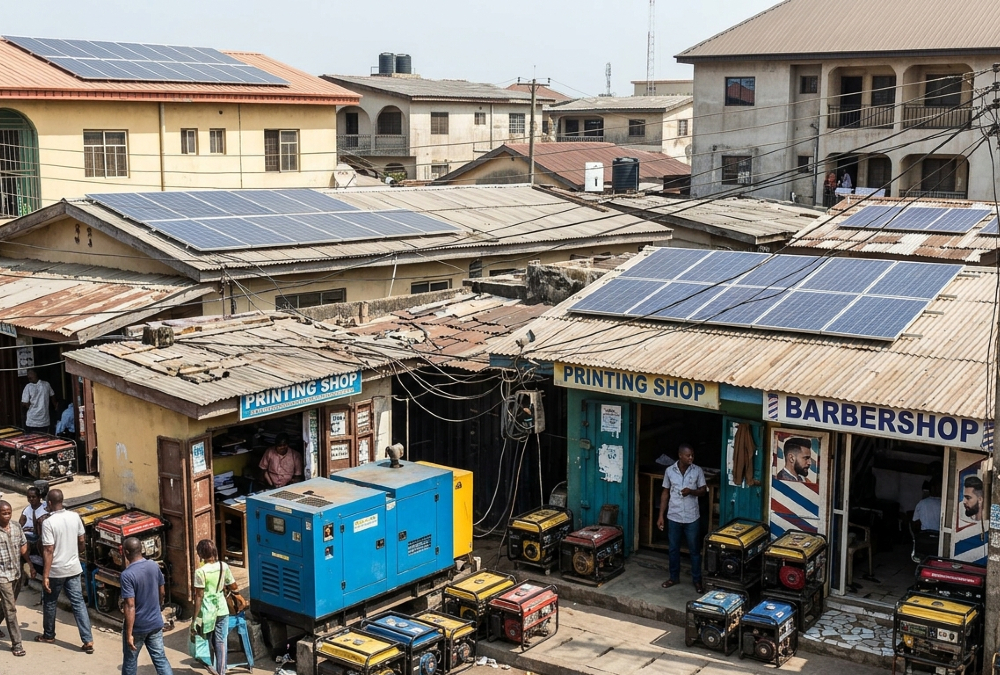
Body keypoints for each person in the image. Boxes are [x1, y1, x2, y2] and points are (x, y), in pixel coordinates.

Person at [37, 488, 93, 654]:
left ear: (49, 503)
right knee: (78, 603)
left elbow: (48, 550)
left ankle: (49, 635)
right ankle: (88, 640)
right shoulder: (74, 516)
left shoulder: (48, 523)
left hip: (56, 571)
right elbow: (82, 541)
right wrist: (76, 554)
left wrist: (45, 575)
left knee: (50, 601)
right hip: (73, 568)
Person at [656, 443, 707, 592]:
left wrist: (691, 491)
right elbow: (665, 493)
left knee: (694, 551)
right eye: (688, 455)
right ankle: (673, 577)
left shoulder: (697, 470)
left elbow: (703, 491)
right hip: (674, 516)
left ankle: (697, 581)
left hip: (692, 517)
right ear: (680, 455)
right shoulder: (669, 471)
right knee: (673, 549)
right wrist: (661, 516)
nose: (691, 457)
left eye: (692, 455)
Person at [121, 536, 172, 675]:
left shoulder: (127, 575)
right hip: (155, 623)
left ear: (125, 552)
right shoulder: (153, 565)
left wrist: (129, 633)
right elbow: (162, 591)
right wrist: (157, 608)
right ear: (141, 549)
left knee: (130, 662)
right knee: (160, 659)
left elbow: (130, 605)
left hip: (138, 626)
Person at [191, 539, 238, 675]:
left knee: (205, 641)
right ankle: (221, 671)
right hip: (222, 609)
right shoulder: (224, 566)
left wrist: (195, 618)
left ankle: (210, 666)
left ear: (200, 554)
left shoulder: (200, 572)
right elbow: (232, 584)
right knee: (221, 641)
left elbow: (199, 596)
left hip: (207, 612)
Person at [0, 501, 28, 657]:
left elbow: (23, 546)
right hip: (2, 576)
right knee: (11, 609)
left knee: (7, 604)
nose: (7, 515)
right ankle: (17, 644)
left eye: (9, 512)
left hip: (17, 574)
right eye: (4, 513)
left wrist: (29, 563)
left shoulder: (17, 527)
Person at [19, 486, 47, 578]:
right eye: (29, 497)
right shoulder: (26, 510)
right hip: (29, 536)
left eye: (33, 497)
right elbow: (20, 525)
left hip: (42, 534)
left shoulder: (45, 507)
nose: (31, 499)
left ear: (39, 497)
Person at [21, 369, 55, 434]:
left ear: (36, 374)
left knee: (33, 440)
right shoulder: (46, 384)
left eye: (30, 373)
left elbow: (25, 403)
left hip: (34, 420)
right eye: (28, 374)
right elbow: (52, 395)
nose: (28, 376)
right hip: (42, 420)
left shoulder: (29, 387)